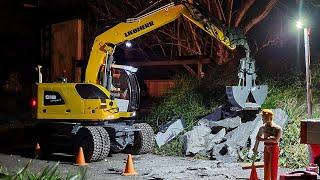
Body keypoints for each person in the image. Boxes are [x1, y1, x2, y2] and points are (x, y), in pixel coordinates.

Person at [252, 109, 282, 180]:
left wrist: (264, 139)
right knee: (266, 165)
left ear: (268, 117)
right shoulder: (262, 128)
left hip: (274, 148)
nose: (262, 119)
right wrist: (255, 147)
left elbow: (275, 140)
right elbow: (258, 138)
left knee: (273, 166)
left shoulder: (277, 128)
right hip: (266, 147)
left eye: (263, 117)